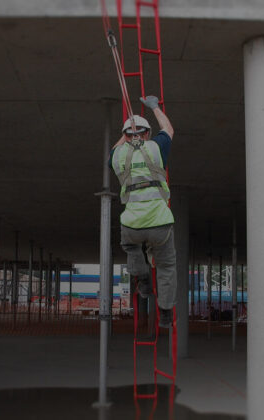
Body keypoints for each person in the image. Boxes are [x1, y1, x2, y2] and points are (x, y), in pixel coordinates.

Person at [109, 95, 176, 328]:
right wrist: (155, 107)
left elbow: (113, 150)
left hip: (133, 224)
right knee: (167, 266)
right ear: (147, 134)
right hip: (160, 222)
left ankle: (143, 280)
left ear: (126, 136)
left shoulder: (118, 156)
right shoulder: (156, 148)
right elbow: (168, 129)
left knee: (131, 247)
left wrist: (128, 132)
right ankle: (165, 313)